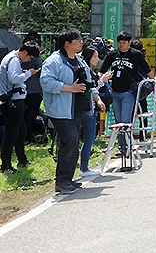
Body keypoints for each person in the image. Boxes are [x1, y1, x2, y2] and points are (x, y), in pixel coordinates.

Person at [40, 29, 92, 194]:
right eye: (77, 39)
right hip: (60, 110)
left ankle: (67, 179)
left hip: (76, 108)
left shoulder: (79, 60)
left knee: (73, 143)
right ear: (67, 43)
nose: (81, 41)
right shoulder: (53, 61)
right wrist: (70, 88)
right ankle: (62, 181)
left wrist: (94, 96)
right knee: (70, 140)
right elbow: (46, 82)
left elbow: (88, 79)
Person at [99, 31, 154, 151]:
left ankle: (127, 146)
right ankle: (121, 146)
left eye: (124, 42)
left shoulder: (136, 54)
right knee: (118, 121)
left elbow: (147, 69)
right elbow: (102, 70)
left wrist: (153, 82)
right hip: (115, 91)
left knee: (126, 120)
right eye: (119, 42)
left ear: (129, 43)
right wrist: (99, 81)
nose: (121, 45)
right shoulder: (113, 54)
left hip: (128, 92)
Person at [0, 42, 40, 173]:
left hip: (15, 101)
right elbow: (13, 78)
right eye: (29, 58)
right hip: (12, 102)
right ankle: (5, 166)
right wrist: (29, 73)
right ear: (25, 53)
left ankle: (22, 160)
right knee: (11, 135)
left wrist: (23, 73)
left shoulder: (12, 58)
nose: (28, 61)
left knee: (21, 133)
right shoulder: (14, 60)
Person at [77, 46, 110, 177]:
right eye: (95, 56)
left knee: (89, 138)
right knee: (89, 138)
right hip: (87, 108)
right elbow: (91, 88)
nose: (97, 59)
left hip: (90, 107)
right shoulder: (86, 72)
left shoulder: (88, 70)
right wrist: (102, 81)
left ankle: (84, 166)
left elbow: (93, 90)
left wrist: (98, 100)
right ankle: (84, 168)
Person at [21, 32, 44, 143]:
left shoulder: (20, 53)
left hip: (21, 88)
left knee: (23, 113)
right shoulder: (35, 55)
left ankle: (21, 136)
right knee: (31, 113)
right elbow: (41, 69)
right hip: (34, 89)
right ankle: (26, 136)